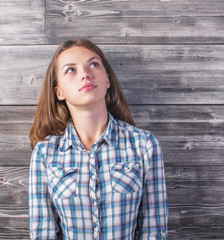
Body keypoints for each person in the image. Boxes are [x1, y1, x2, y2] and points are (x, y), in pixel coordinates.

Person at [28, 38, 168, 240]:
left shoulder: (144, 145)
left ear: (108, 80)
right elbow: (43, 234)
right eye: (71, 70)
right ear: (58, 92)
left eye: (93, 64)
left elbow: (154, 232)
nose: (85, 74)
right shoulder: (45, 153)